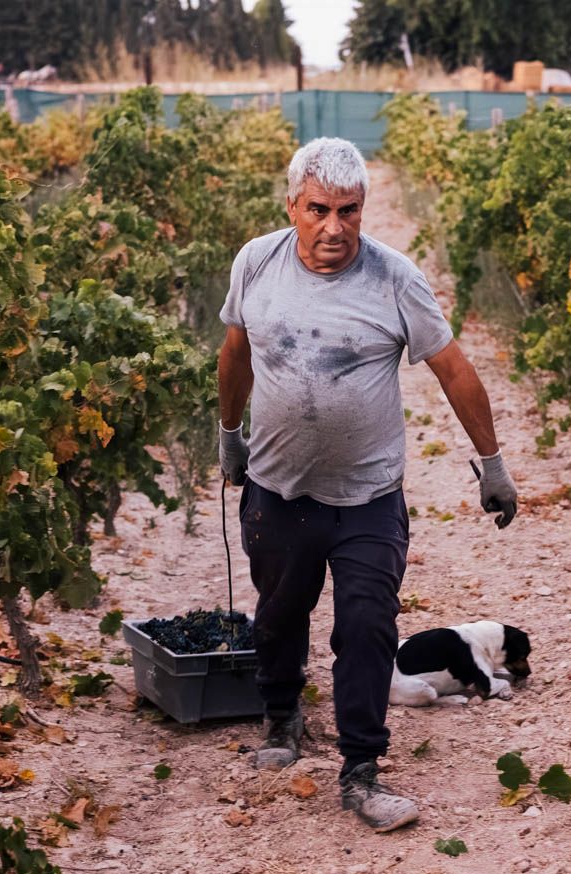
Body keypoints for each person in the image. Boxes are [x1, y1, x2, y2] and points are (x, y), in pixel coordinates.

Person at [217, 137, 517, 833]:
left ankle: (361, 769)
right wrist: (230, 434)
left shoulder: (394, 277)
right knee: (279, 615)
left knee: (366, 626)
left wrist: (493, 464)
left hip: (369, 498)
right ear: (292, 205)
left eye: (348, 210)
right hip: (278, 490)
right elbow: (235, 353)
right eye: (318, 209)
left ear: (363, 208)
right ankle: (282, 717)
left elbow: (454, 369)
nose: (334, 227)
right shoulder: (256, 263)